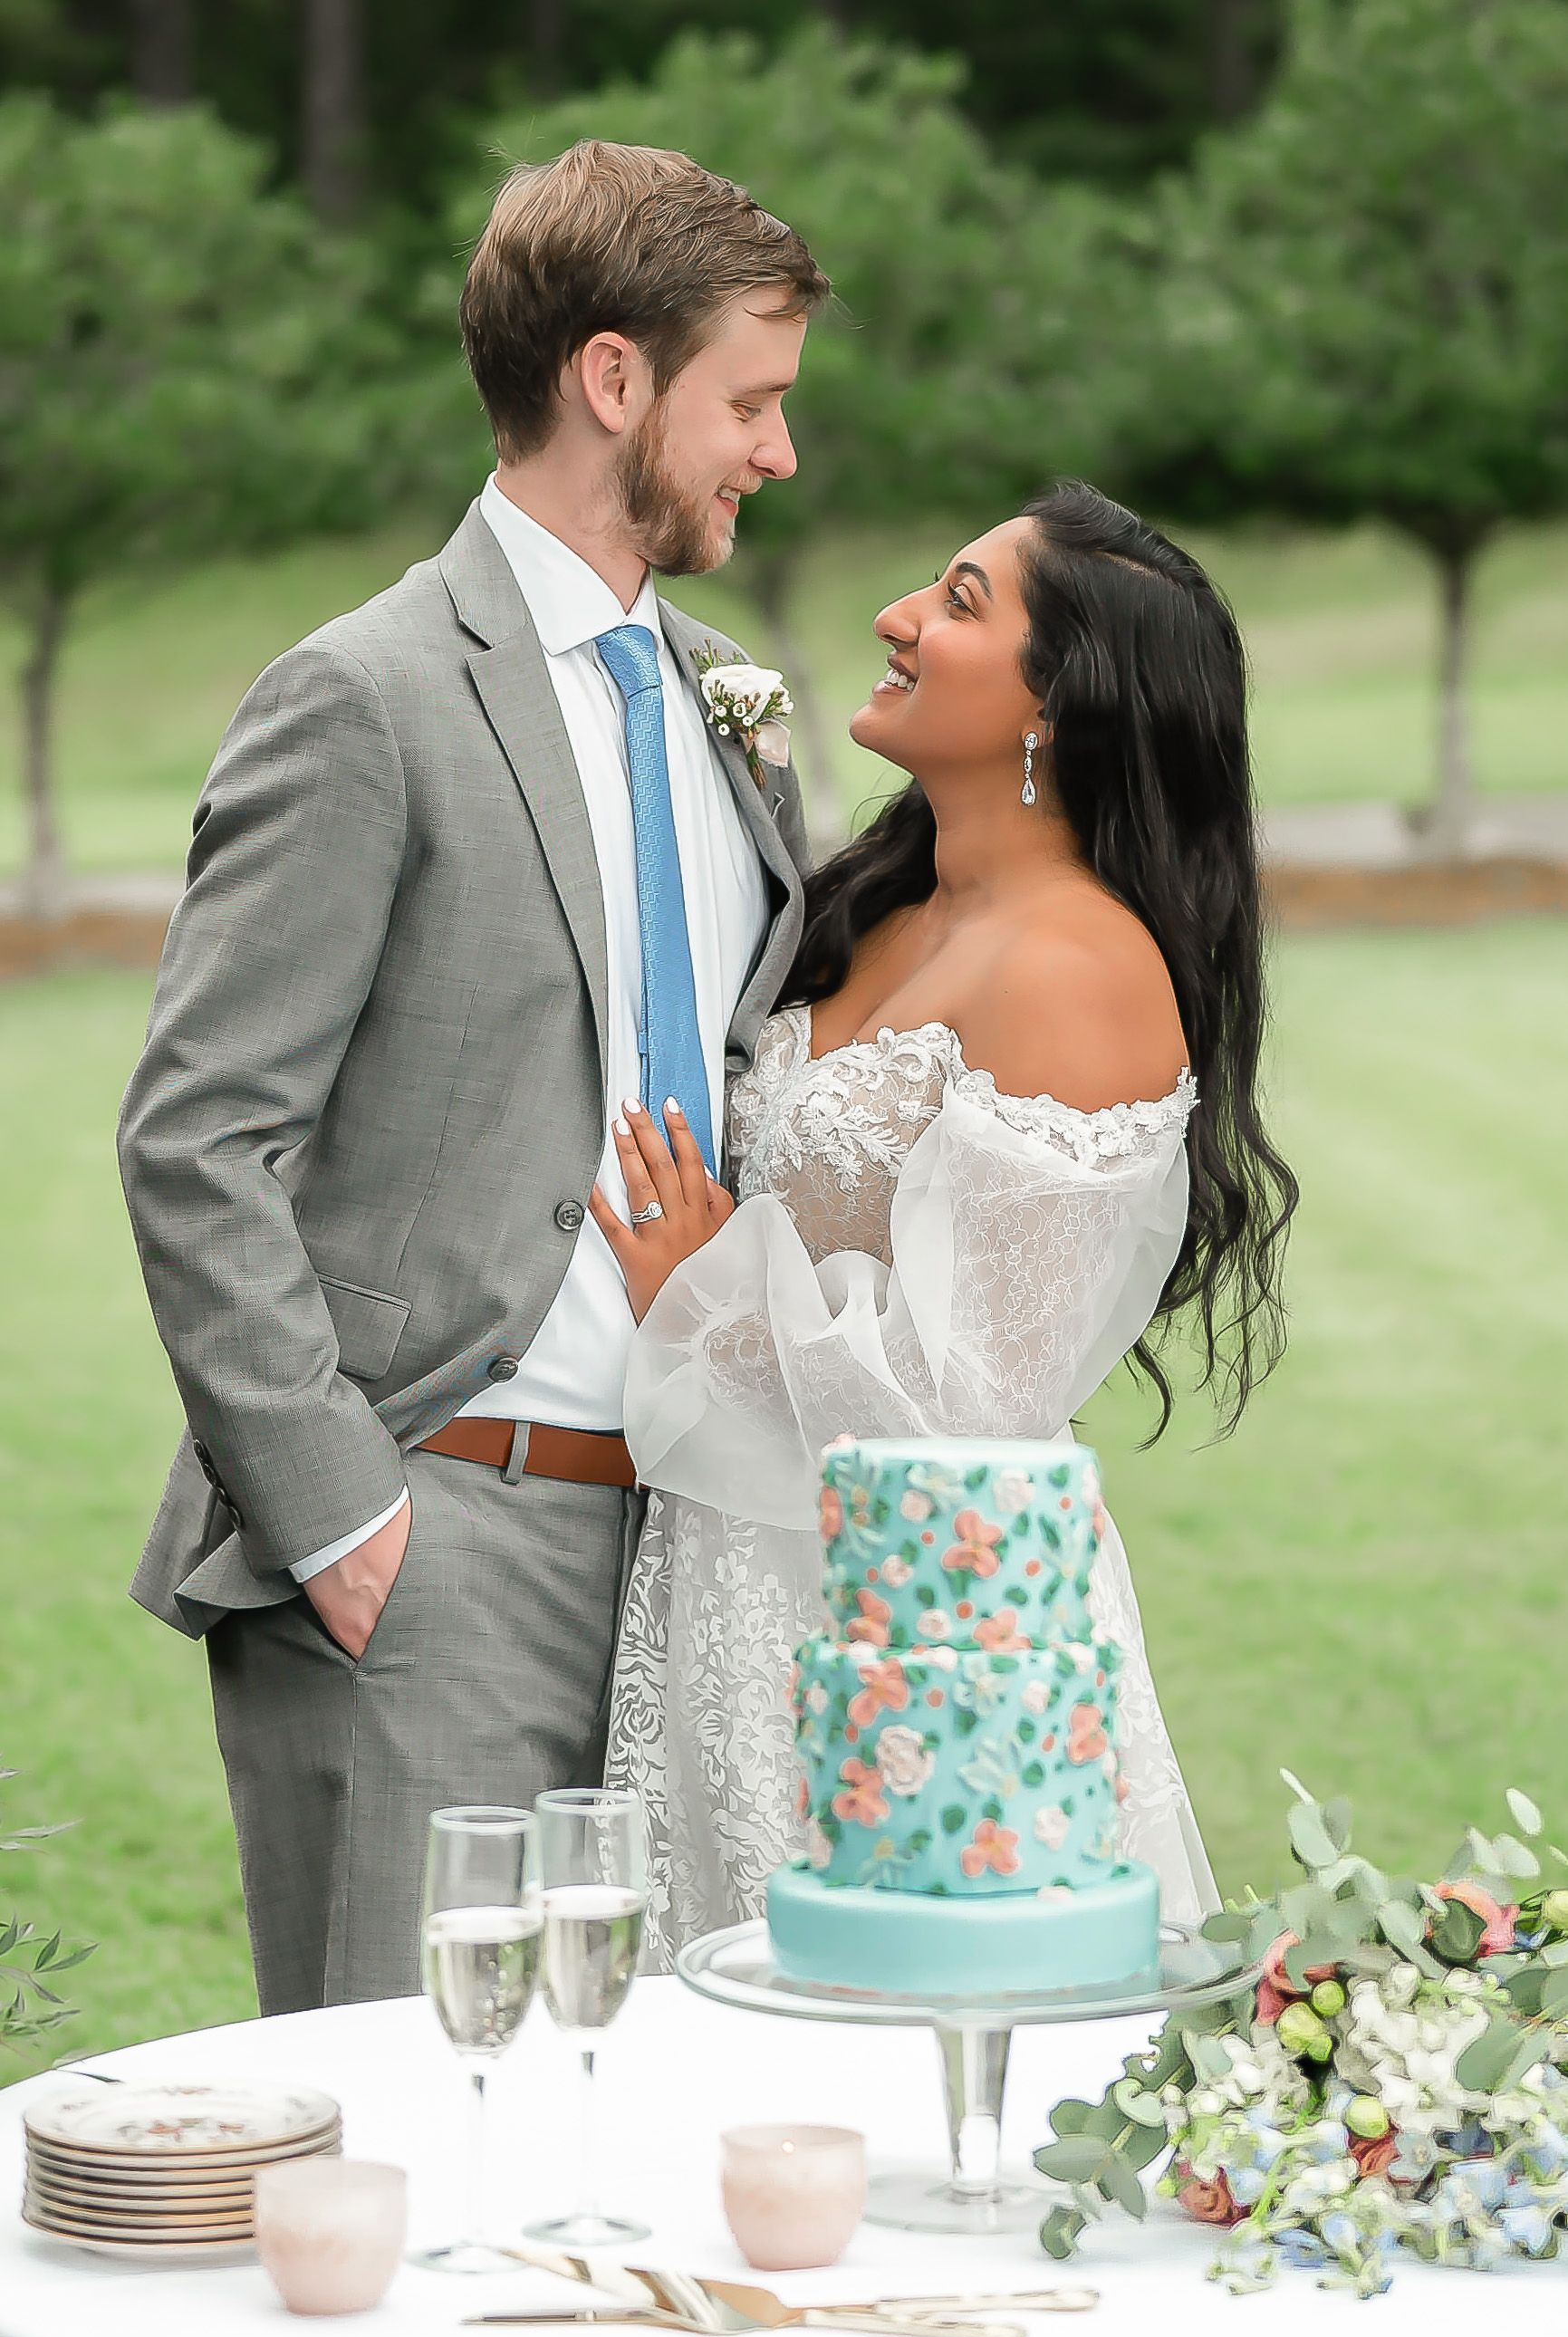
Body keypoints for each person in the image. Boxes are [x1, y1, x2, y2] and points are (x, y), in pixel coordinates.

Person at [116, 140, 827, 2014]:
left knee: (629, 2146)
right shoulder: (363, 696)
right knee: (421, 2159)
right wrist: (347, 1520)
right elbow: (199, 1135)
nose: (775, 452)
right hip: (435, 1533)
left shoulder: (727, 703)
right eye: (748, 401)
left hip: (686, 1552)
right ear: (612, 377)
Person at [596, 482, 1300, 1962]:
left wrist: (702, 1294)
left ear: (1061, 706)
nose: (898, 618)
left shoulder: (1078, 971)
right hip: (724, 1573)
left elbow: (969, 1420)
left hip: (919, 1645)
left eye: (961, 603)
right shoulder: (880, 902)